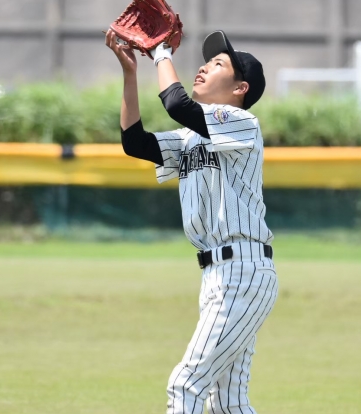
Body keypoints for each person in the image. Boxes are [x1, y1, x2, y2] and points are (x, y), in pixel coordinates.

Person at [105, 28, 278, 414]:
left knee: (186, 384)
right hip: (219, 275)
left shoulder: (241, 122)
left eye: (218, 64)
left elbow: (177, 103)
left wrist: (161, 53)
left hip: (242, 271)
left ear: (240, 88)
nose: (203, 67)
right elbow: (136, 143)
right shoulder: (190, 137)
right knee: (228, 403)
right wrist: (131, 74)